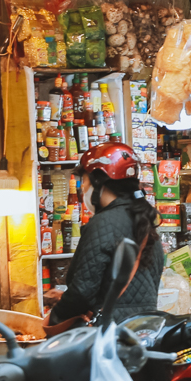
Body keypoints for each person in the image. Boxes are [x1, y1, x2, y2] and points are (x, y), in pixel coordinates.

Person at [43, 140, 161, 334]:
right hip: (145, 332)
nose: (82, 188)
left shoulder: (103, 223)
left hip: (109, 337)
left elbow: (82, 292)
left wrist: (54, 321)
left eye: (85, 180)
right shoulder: (145, 220)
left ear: (99, 181)